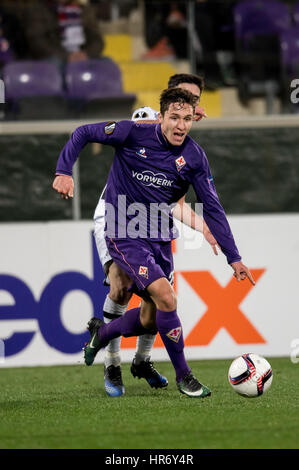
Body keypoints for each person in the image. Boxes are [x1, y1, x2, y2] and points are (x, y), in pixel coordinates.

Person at [53, 87, 255, 398]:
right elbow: (82, 132)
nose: (181, 125)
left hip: (159, 234)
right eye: (174, 118)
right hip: (123, 229)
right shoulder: (132, 133)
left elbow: (211, 205)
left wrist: (234, 257)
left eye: (187, 118)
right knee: (166, 297)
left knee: (150, 319)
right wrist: (64, 171)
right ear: (160, 118)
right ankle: (183, 376)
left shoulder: (194, 157)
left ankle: (102, 334)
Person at [93, 74, 211, 398]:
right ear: (171, 95)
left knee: (158, 303)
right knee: (121, 289)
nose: (192, 107)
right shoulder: (146, 121)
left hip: (155, 226)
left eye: (195, 103)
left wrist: (204, 228)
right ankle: (112, 364)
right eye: (187, 99)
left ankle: (142, 361)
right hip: (116, 217)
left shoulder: (183, 140)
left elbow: (175, 200)